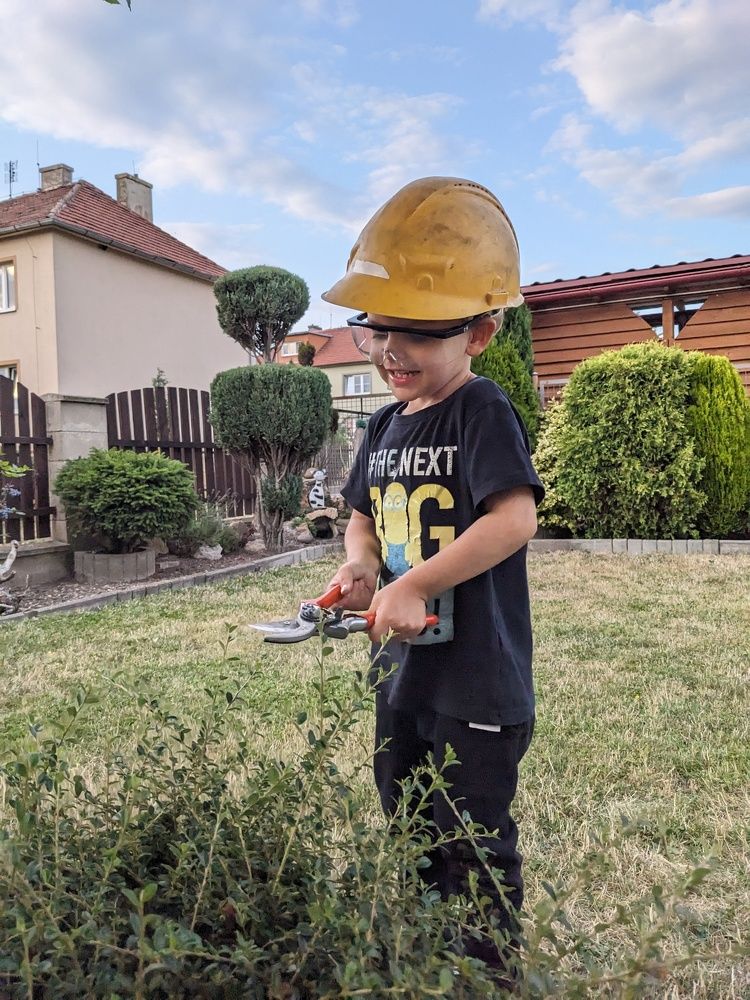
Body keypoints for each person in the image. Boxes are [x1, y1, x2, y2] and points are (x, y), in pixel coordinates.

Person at [322, 176, 544, 984]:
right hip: (402, 675)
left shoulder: (480, 410)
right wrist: (363, 568)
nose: (392, 350)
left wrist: (417, 585)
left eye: (418, 332)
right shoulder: (381, 423)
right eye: (380, 329)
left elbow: (513, 520)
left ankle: (486, 973)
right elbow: (364, 517)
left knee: (472, 837)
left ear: (480, 333)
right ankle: (427, 954)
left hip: (478, 681)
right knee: (409, 823)